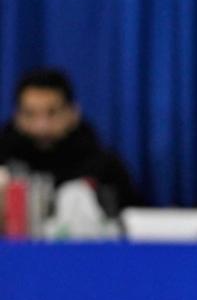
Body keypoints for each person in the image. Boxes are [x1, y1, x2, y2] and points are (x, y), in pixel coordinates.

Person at [0, 67, 140, 213]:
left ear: (73, 113)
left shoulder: (104, 168)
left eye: (52, 113)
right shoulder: (3, 159)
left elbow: (133, 222)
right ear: (16, 116)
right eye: (30, 114)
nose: (41, 126)